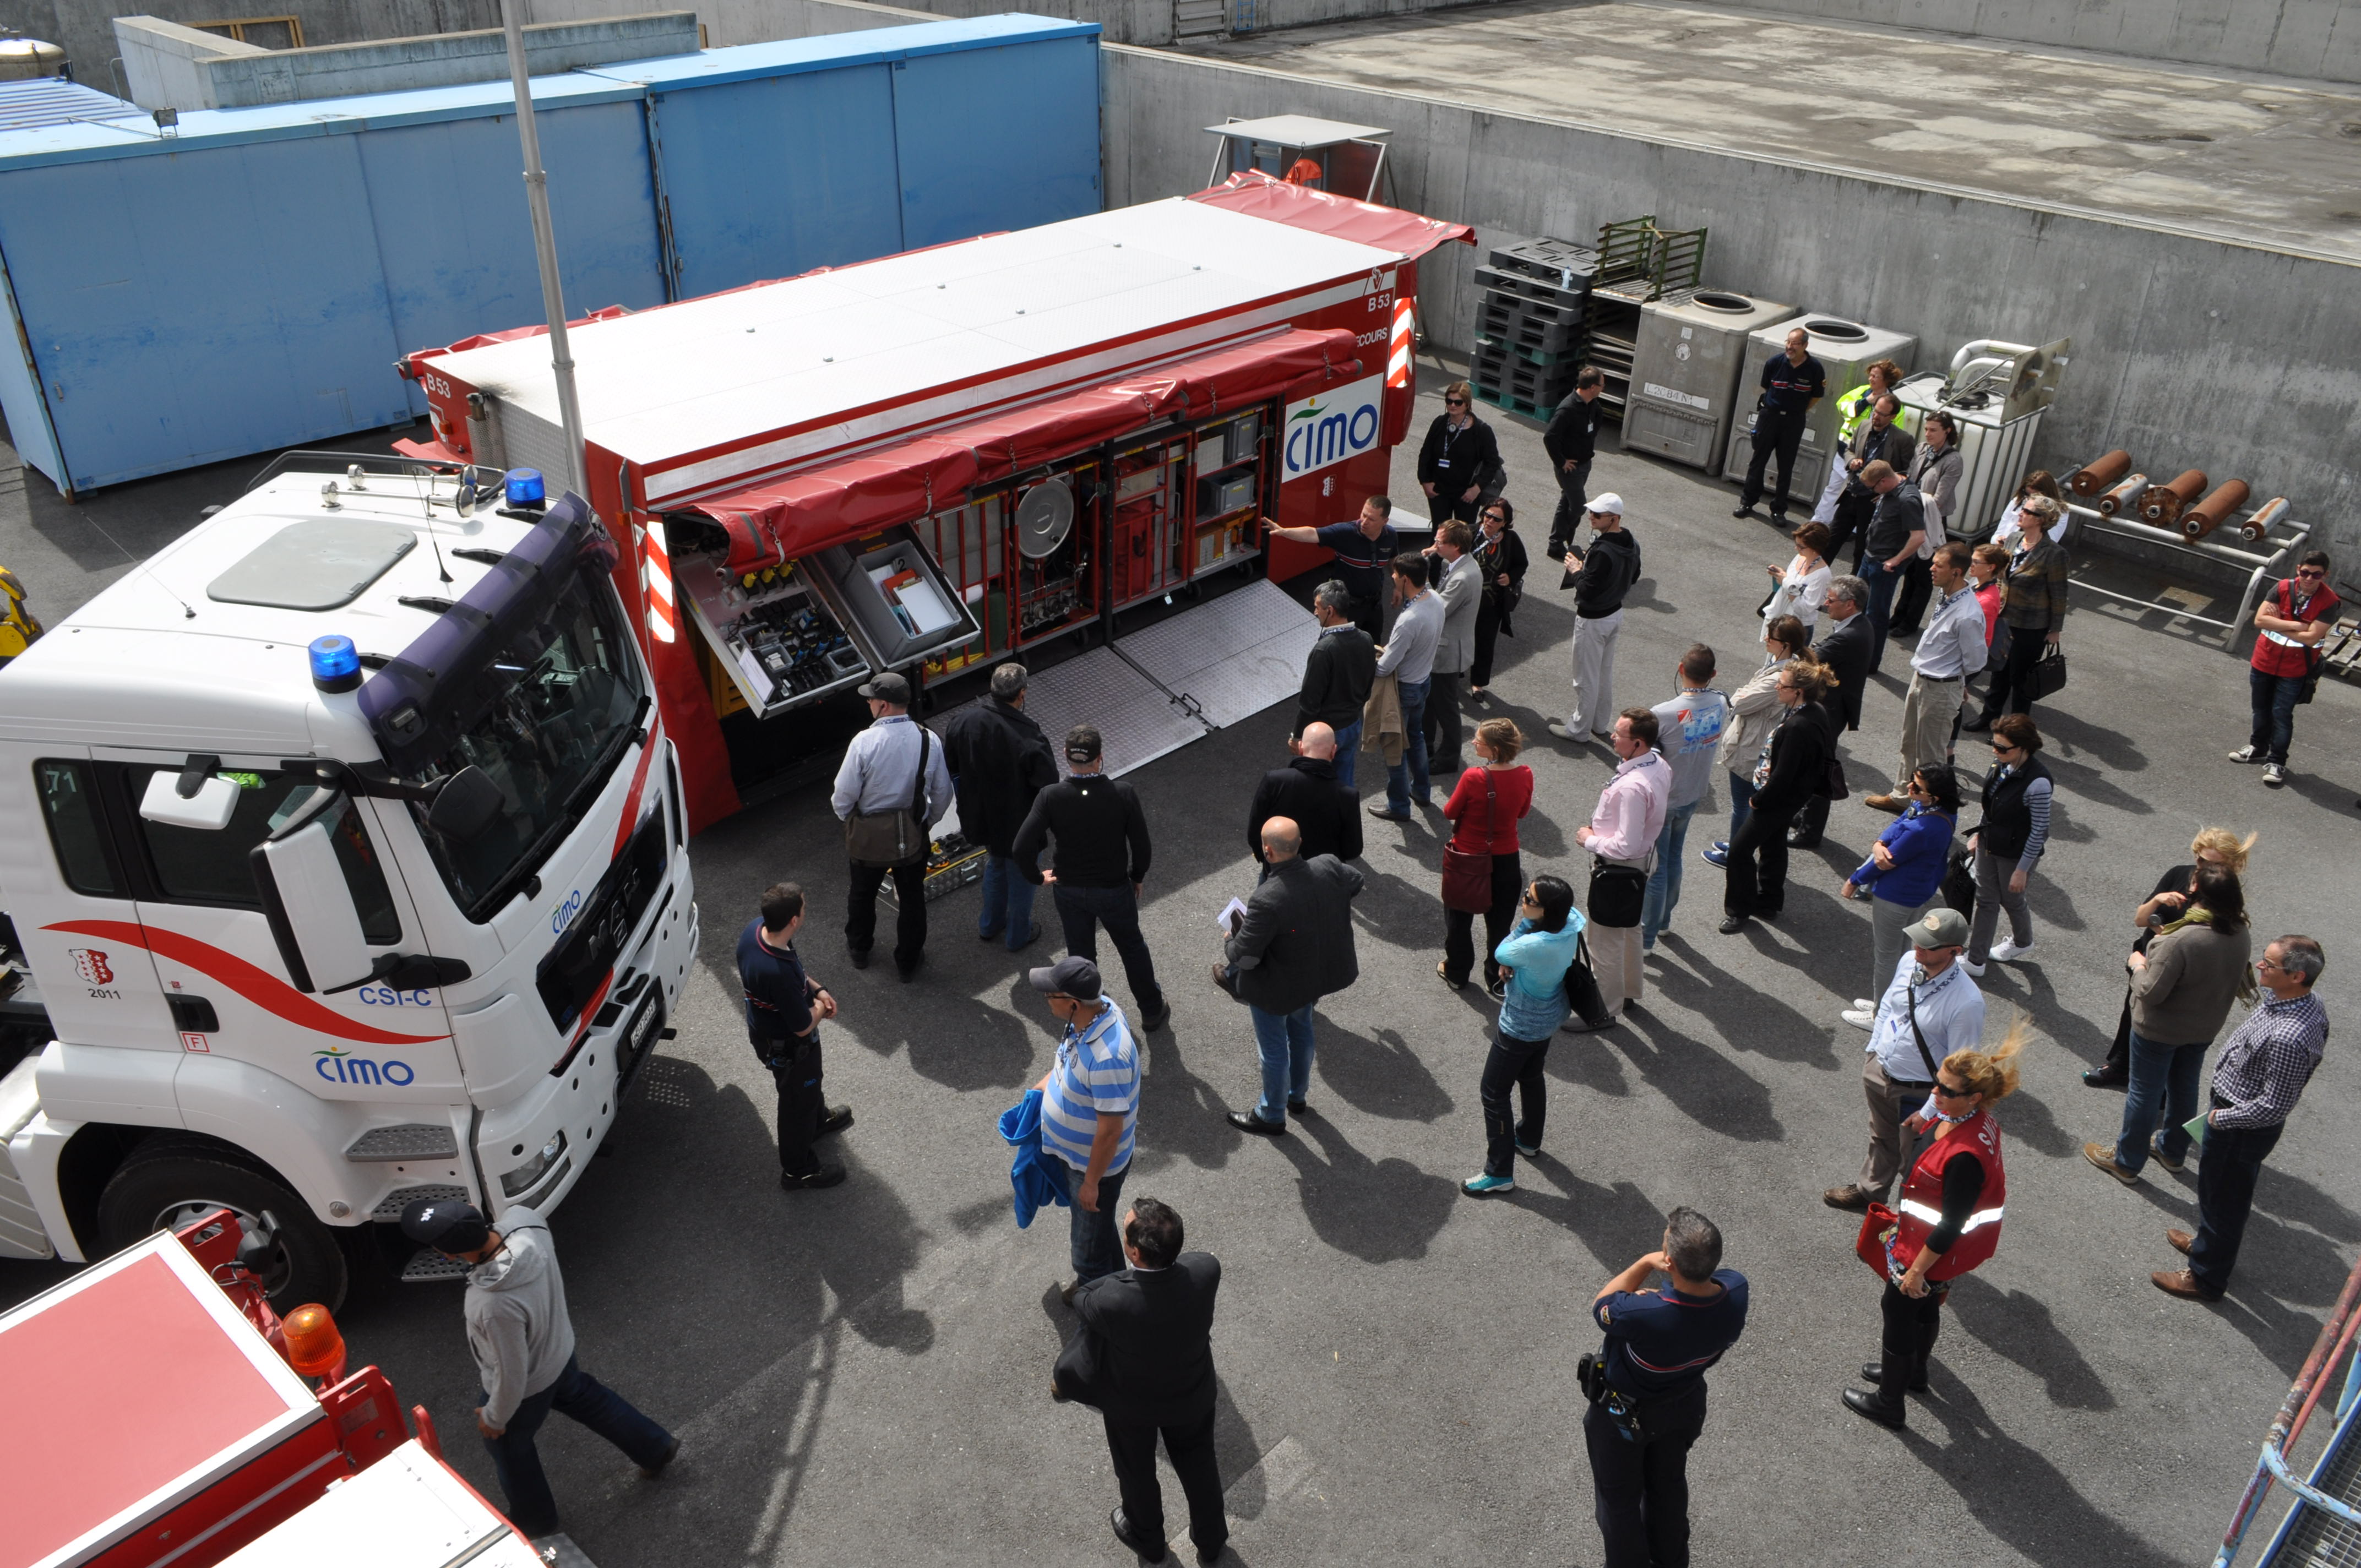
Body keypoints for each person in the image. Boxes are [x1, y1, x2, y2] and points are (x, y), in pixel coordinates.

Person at [399, 1198, 677, 1537]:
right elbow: (514, 1210)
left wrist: (494, 1417)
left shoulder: (491, 1303)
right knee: (583, 1396)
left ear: (446, 1254)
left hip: (531, 1385)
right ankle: (654, 1447)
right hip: (559, 1349)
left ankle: (536, 1521)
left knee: (506, 1446)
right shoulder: (526, 1223)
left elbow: (511, 1371)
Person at [1841, 1032, 2022, 1428]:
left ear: (1973, 1098)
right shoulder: (1969, 1118)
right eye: (1936, 1081)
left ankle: (1890, 1402)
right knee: (1924, 1308)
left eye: (1945, 1089)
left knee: (1899, 1307)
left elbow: (1951, 1223)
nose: (1935, 1092)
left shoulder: (1965, 1157)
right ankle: (1914, 1374)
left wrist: (1917, 1271)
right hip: (1941, 1249)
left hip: (1931, 1250)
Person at [2153, 937, 2329, 1302]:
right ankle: (2205, 1245)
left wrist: (2220, 1119)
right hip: (2233, 1118)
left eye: (2269, 964)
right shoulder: (2295, 1000)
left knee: (2224, 1205)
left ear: (2296, 976)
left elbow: (2273, 1106)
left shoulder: (2290, 1037)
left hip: (2239, 1127)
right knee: (2216, 1194)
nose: (2260, 967)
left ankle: (2205, 1279)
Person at [1057, 1198, 1228, 1566]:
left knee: (1136, 1472)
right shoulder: (1206, 1270)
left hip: (1132, 1403)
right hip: (1192, 1393)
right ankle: (1211, 1541)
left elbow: (1084, 1297)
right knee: (1200, 1464)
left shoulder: (1112, 1301)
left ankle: (1147, 1539)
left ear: (1134, 1252)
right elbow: (1192, 1263)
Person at [1584, 1209, 1749, 1567]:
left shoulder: (1645, 1315)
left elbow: (1602, 1307)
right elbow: (1698, 1300)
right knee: (1668, 1488)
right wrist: (1662, 1295)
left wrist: (1644, 1263)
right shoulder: (1736, 1291)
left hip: (1622, 1418)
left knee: (1619, 1504)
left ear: (1669, 1262)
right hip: (1683, 1407)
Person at [2083, 864, 2252, 1185]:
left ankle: (2126, 1162)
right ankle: (2172, 1151)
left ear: (2194, 893)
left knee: (2144, 1094)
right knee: (2184, 1087)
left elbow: (2151, 991)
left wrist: (2138, 964)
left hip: (2158, 1031)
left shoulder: (2180, 940)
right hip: (2203, 1028)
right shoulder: (2240, 931)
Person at [1824, 907, 1987, 1213]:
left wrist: (1928, 1111)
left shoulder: (1967, 1003)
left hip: (1919, 1092)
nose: (1918, 947)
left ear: (1955, 951)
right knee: (1881, 1137)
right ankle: (1869, 1191)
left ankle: (1908, 1216)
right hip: (1880, 1072)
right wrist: (1874, 1051)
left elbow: (1959, 1069)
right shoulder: (1910, 961)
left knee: (1915, 1157)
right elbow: (1888, 1005)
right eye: (1917, 939)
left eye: (1928, 944)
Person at [1013, 725, 1170, 1032]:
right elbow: (1142, 846)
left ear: (1065, 756)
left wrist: (1036, 876)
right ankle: (1152, 1011)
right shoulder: (1122, 793)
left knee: (1081, 955)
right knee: (1132, 948)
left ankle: (1089, 1013)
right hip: (1113, 889)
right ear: (1100, 758)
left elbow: (1021, 846)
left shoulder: (1051, 796)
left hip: (1069, 890)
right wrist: (1137, 876)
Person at [1217, 817, 1364, 1136]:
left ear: (1267, 851)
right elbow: (1356, 881)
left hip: (1277, 988)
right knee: (1302, 1030)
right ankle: (1297, 1097)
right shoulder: (1327, 865)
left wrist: (1231, 939)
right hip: (1314, 977)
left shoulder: (1267, 898)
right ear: (1300, 844)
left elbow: (1245, 956)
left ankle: (1272, 1114)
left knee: (1273, 1049)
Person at [2085, 827, 2256, 1088]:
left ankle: (2160, 1086)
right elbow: (2140, 919)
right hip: (2147, 959)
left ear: (2230, 866)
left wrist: (2175, 937)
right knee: (2132, 1013)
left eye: (2213, 864)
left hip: (2183, 967)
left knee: (2167, 1027)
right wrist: (2157, 901)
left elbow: (2218, 936)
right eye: (2200, 860)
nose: (2202, 868)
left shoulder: (2224, 891)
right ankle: (2120, 1067)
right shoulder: (2178, 874)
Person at [1462, 874, 1583, 1196]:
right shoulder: (1570, 925)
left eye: (1528, 900)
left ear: (1545, 911)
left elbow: (1503, 952)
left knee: (1493, 1092)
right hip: (1548, 1019)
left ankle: (1499, 1171)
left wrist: (1524, 926)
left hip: (1521, 1026)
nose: (1523, 903)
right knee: (1531, 1077)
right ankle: (1528, 1139)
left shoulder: (1533, 943)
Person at [1030, 955, 1142, 1294]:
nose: (1046, 998)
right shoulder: (1096, 1012)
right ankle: (1115, 1285)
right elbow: (1068, 1059)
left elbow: (1110, 1131)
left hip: (1093, 1169)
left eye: (1051, 994)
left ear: (1074, 1004)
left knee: (1087, 1256)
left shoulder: (1107, 1059)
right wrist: (1041, 1091)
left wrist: (1091, 1183)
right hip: (1080, 1161)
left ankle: (1099, 1318)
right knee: (1097, 1229)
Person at [831, 672, 954, 979]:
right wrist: (927, 822)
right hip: (912, 833)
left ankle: (860, 949)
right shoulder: (928, 739)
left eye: (870, 699)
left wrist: (852, 822)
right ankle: (908, 962)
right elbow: (943, 792)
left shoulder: (863, 742)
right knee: (912, 898)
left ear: (883, 705)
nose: (869, 703)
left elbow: (843, 796)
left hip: (869, 836)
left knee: (862, 893)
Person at [737, 883, 853, 1190]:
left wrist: (818, 989)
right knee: (795, 1105)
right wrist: (819, 1006)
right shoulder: (776, 972)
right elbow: (802, 1026)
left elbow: (798, 972)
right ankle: (798, 1171)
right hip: (790, 1047)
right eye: (803, 908)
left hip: (770, 1035)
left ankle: (817, 1123)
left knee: (808, 1087)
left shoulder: (756, 932)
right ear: (792, 920)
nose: (805, 911)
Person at [942, 662, 1058, 951]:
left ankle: (989, 925)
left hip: (981, 819)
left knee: (995, 865)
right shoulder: (1030, 736)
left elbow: (951, 765)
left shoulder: (963, 722)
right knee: (1022, 877)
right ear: (1021, 694)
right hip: (1020, 824)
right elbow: (1049, 785)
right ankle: (1018, 936)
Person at [1863, 542, 1984, 812]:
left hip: (1941, 689)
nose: (1931, 568)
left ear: (1956, 572)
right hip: (1922, 679)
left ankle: (1928, 811)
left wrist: (1957, 681)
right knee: (1909, 744)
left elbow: (1976, 660)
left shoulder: (1968, 614)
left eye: (1938, 565)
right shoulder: (1947, 595)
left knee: (1931, 756)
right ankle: (1902, 796)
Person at [1718, 660, 1836, 933]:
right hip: (1794, 798)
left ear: (1798, 691)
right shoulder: (1814, 711)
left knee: (1739, 851)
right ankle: (1769, 902)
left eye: (1783, 685)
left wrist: (1758, 800)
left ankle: (1739, 910)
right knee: (1773, 845)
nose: (1778, 689)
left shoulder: (1798, 727)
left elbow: (1783, 775)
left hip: (1777, 800)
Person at [1839, 766, 1959, 1017]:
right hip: (1919, 891)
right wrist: (1879, 843)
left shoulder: (1921, 829)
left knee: (1887, 957)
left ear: (1933, 796)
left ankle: (1879, 1014)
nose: (1909, 788)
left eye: (1916, 787)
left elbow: (1886, 861)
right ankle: (1895, 1003)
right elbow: (1901, 821)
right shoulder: (1939, 811)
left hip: (1896, 896)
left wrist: (1854, 880)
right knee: (1906, 954)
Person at [1577, 708, 1671, 1023]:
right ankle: (1628, 991)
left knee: (1604, 945)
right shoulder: (1658, 764)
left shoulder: (1633, 788)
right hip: (1641, 864)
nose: (1613, 738)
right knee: (1631, 930)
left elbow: (1626, 844)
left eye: (1620, 735)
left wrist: (1589, 840)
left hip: (1619, 868)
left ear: (1639, 744)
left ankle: (1602, 1011)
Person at [1701, 616, 1807, 868]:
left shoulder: (1777, 677)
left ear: (1786, 644)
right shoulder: (1783, 665)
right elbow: (1745, 693)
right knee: (1745, 802)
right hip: (1753, 740)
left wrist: (1740, 695)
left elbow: (1739, 702)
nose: (1765, 640)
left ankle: (1735, 855)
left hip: (1751, 745)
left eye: (1772, 637)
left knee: (1743, 804)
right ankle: (1737, 843)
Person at [1642, 647, 1730, 950]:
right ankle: (1665, 921)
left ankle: (1647, 936)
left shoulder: (1663, 712)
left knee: (1656, 867)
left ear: (1681, 669)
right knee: (1674, 858)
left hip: (1665, 799)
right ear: (1713, 674)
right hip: (1693, 793)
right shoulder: (1720, 702)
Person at [1439, 718, 1535, 994]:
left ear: (1493, 748)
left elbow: (1449, 812)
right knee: (1500, 924)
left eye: (1478, 740)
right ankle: (1497, 979)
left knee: (1459, 920)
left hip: (1468, 858)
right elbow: (1522, 812)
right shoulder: (1526, 773)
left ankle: (1457, 972)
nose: (1473, 742)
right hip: (1507, 858)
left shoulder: (1474, 777)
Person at [2229, 549, 2338, 788]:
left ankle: (2277, 761)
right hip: (2264, 661)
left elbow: (2311, 639)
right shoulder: (2281, 588)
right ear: (2298, 569)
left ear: (2325, 575)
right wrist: (2297, 625)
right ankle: (2258, 747)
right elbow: (2259, 621)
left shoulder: (2329, 602)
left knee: (2281, 715)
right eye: (2305, 572)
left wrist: (2278, 622)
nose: (2309, 578)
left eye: (2316, 575)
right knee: (2260, 709)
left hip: (2295, 668)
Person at [1546, 494, 1641, 747]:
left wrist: (1577, 569)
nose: (1591, 517)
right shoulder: (1631, 542)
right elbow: (1635, 576)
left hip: (1593, 619)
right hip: (1615, 613)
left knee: (1585, 677)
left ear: (1614, 518)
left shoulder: (1602, 551)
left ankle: (1579, 729)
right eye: (1592, 513)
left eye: (1598, 515)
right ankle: (1599, 723)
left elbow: (1587, 589)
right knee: (1604, 672)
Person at [1962, 715, 2050, 976]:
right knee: (1987, 899)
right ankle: (1976, 960)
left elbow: (2040, 831)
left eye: (2002, 747)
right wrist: (1978, 832)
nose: (1994, 751)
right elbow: (1991, 802)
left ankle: (2022, 942)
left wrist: (2022, 870)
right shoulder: (2000, 764)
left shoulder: (2039, 783)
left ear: (2023, 748)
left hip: (2015, 854)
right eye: (1994, 743)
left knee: (2012, 900)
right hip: (1989, 843)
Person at [1788, 577, 1873, 850]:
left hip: (1829, 712)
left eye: (1831, 600)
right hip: (1835, 708)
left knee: (1817, 770)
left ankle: (1810, 832)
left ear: (1850, 605)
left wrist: (1791, 641)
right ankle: (1804, 816)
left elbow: (1810, 660)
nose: (1826, 604)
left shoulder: (1848, 636)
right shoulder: (1859, 625)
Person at [1974, 497, 2070, 725]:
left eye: (2026, 511)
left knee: (2020, 680)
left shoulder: (2055, 554)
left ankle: (2015, 731)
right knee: (1999, 673)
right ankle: (1988, 717)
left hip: (2030, 627)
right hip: (2004, 619)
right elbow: (2001, 578)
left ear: (2041, 520)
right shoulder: (2014, 539)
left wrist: (2056, 629)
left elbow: (2059, 595)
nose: (2020, 513)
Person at [1369, 553, 1443, 822]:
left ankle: (1399, 806)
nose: (1392, 577)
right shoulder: (1434, 600)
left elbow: (1384, 668)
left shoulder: (1409, 620)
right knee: (1417, 738)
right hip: (1423, 682)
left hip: (1404, 690)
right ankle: (1422, 791)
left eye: (1396, 574)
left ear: (1406, 579)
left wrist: (1368, 659)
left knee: (1395, 750)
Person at [1269, 496, 1398, 641]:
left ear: (1385, 521)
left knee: (1372, 646)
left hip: (1374, 606)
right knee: (1339, 647)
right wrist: (1284, 532)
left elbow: (1393, 560)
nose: (1364, 522)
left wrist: (1397, 587)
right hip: (1346, 608)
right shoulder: (1345, 533)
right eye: (1363, 515)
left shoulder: (1391, 536)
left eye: (1372, 519)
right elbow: (1313, 533)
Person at [1733, 327, 1826, 525]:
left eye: (1795, 343)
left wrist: (1796, 410)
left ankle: (1778, 510)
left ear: (1805, 346)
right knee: (1758, 461)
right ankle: (1747, 502)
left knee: (1786, 467)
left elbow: (1816, 396)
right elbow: (1767, 387)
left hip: (1793, 422)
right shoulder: (1774, 363)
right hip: (1769, 417)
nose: (1790, 347)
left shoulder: (1815, 368)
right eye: (1788, 342)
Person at [1294, 580, 1378, 786]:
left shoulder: (1324, 650)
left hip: (1327, 731)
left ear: (1330, 611)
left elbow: (1310, 700)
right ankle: (1344, 816)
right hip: (1352, 724)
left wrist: (1298, 736)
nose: (1315, 613)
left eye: (1317, 607)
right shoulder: (1367, 639)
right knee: (1343, 782)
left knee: (1317, 785)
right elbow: (1369, 685)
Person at [1887, 412, 1962, 638]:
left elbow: (1939, 499)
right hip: (1913, 514)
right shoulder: (1921, 449)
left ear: (1947, 431)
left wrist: (1912, 502)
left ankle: (1911, 622)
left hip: (1932, 520)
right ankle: (1899, 614)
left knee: (1924, 573)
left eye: (1933, 430)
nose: (1928, 434)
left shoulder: (1953, 460)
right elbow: (1910, 478)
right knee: (1909, 569)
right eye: (1927, 429)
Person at [1811, 358, 1909, 529]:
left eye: (1876, 376)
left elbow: (1894, 434)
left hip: (1870, 459)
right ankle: (1819, 521)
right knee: (1834, 488)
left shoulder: (1895, 405)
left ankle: (1853, 528)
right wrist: (1865, 402)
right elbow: (1842, 408)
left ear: (1886, 380)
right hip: (1846, 452)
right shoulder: (1862, 392)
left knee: (1862, 494)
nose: (1871, 379)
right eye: (1871, 375)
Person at [1247, 722, 1361, 868]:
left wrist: (1267, 861)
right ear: (1334, 751)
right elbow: (1353, 850)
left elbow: (1255, 830)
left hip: (1279, 872)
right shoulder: (1348, 795)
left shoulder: (1274, 781)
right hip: (1324, 876)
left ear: (1300, 747)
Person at [1825, 395, 1915, 572]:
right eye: (1875, 411)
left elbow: (1905, 474)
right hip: (1851, 494)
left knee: (1861, 549)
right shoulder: (1864, 426)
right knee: (1831, 542)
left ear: (1892, 417)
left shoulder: (1902, 440)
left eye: (1882, 414)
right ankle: (1812, 582)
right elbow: (1849, 450)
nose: (1876, 416)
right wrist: (1852, 461)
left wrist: (1886, 493)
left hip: (1873, 501)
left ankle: (1855, 590)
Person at [1423, 520, 1483, 774]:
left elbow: (1438, 610)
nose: (1435, 545)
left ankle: (1448, 757)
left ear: (1455, 546)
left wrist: (1420, 579)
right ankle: (1424, 744)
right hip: (1446, 647)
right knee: (1431, 700)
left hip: (1448, 651)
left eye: (1440, 542)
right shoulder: (1456, 564)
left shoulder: (1462, 577)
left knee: (1445, 706)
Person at [1856, 460, 1926, 672]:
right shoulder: (1892, 488)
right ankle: (1856, 653)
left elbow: (1918, 537)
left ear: (1884, 480)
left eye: (1873, 488)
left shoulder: (1908, 500)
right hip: (1870, 557)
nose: (1872, 492)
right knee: (1856, 603)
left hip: (1884, 565)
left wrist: (1896, 560)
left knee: (1876, 614)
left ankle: (1870, 663)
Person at [1418, 381, 1502, 527]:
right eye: (1449, 401)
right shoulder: (1439, 423)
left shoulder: (1481, 431)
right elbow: (1426, 453)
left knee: (1462, 535)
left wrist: (1477, 489)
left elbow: (1492, 462)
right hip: (1439, 491)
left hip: (1466, 494)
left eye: (1458, 402)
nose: (1453, 406)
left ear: (1467, 404)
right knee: (1439, 533)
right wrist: (1425, 482)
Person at [1468, 498, 1528, 702]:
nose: (1490, 521)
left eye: (1496, 519)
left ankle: (1478, 683)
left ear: (1505, 523)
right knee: (1458, 638)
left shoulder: (1511, 540)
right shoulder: (1470, 533)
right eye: (1487, 515)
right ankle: (1453, 673)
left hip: (1491, 603)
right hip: (1465, 600)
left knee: (1484, 643)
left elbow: (1522, 564)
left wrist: (1510, 577)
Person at [1544, 366, 1606, 553]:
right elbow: (1550, 437)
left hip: (1584, 465)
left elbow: (1596, 424)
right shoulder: (1567, 409)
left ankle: (1556, 544)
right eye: (1602, 385)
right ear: (1593, 387)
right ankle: (1564, 533)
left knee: (1568, 502)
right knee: (1579, 508)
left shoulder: (1592, 405)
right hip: (1569, 469)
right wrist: (1562, 462)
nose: (1604, 388)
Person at [1762, 520, 1834, 631]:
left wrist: (1786, 582)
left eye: (1801, 546)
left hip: (1798, 629)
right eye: (1797, 544)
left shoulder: (1822, 575)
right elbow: (1791, 580)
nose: (1797, 548)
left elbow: (1804, 609)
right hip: (1781, 619)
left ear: (1815, 548)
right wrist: (1781, 575)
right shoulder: (1800, 557)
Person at [1988, 470, 2067, 550]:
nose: (2029, 499)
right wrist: (1998, 540)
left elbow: (2048, 544)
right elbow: (1996, 535)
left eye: (2035, 496)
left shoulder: (2059, 512)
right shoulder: (2018, 501)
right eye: (2026, 494)